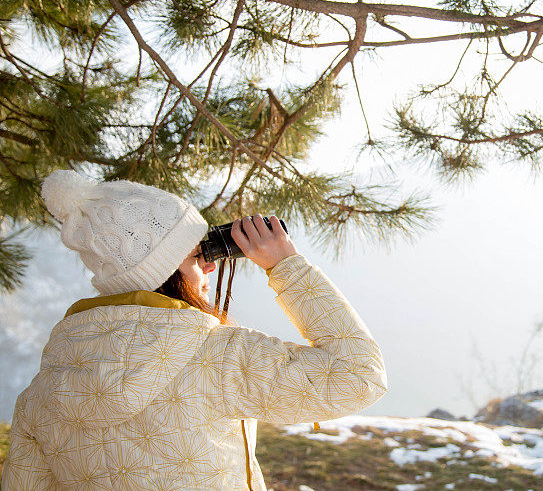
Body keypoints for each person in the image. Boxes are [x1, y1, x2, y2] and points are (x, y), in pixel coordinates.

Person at [1, 169, 388, 490]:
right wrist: (285, 265)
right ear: (163, 274)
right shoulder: (216, 356)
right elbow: (358, 377)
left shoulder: (46, 388)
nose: (210, 267)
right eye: (194, 257)